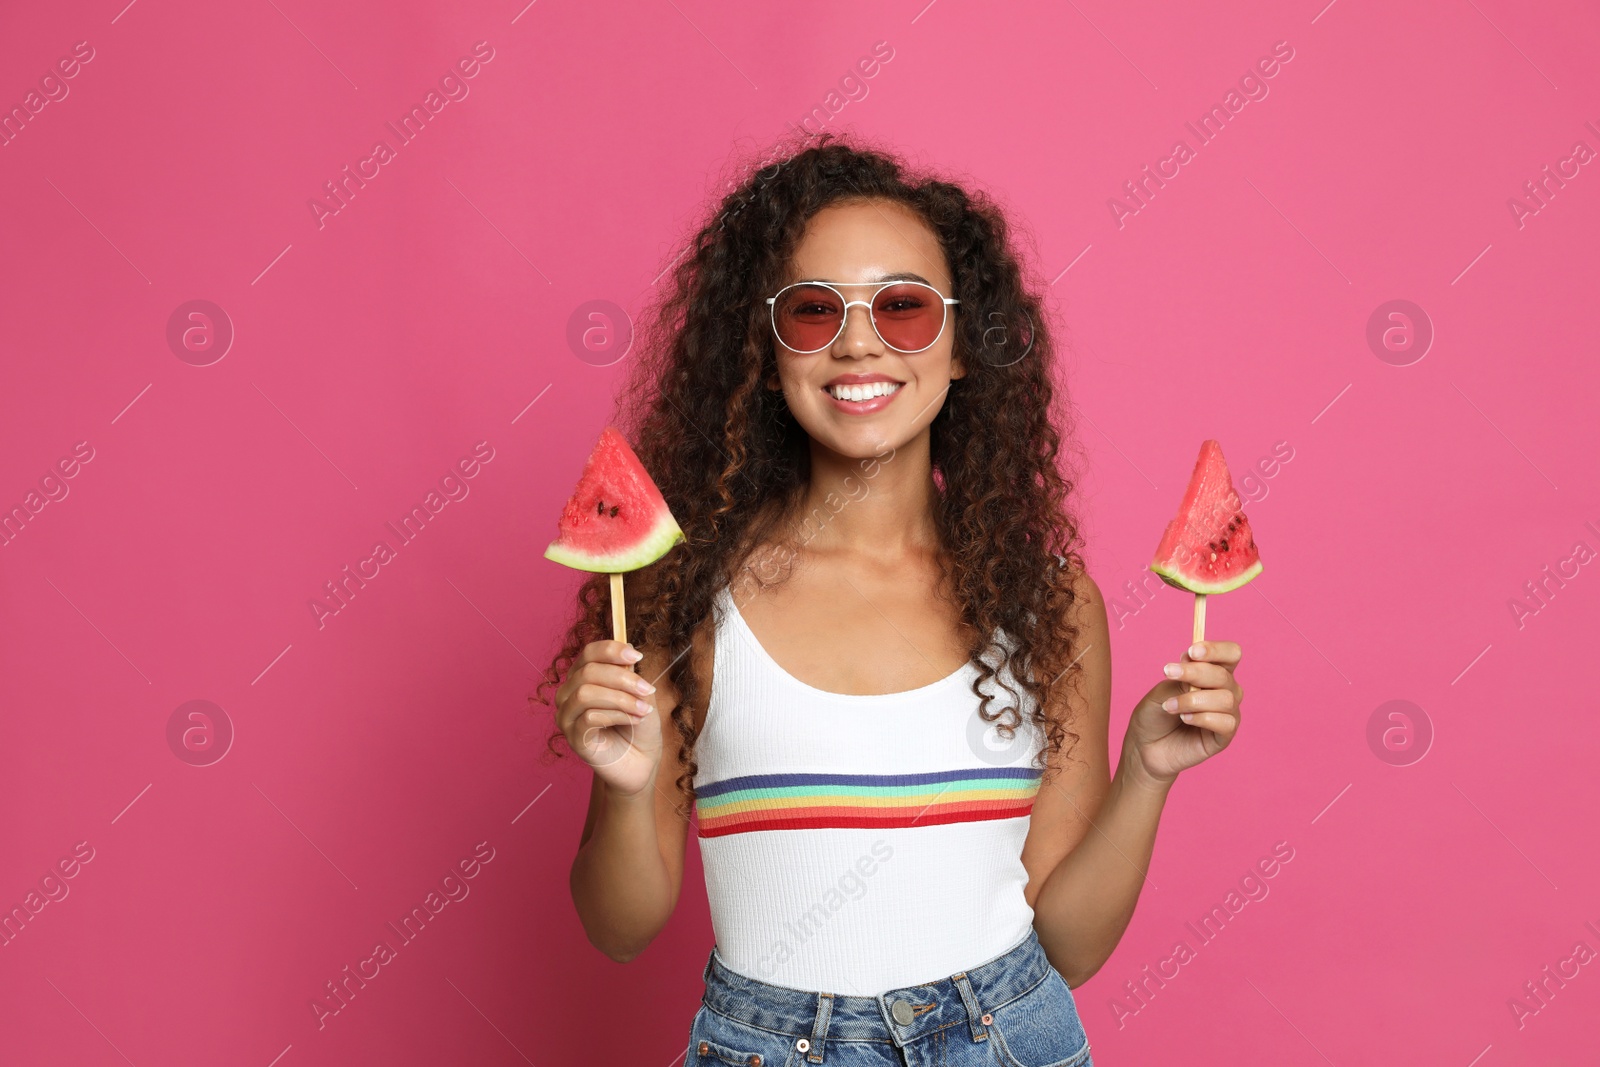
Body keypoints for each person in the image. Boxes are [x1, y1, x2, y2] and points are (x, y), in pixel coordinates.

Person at [539, 131, 1245, 1067]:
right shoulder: (684, 597)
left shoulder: (1050, 604)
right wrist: (623, 786)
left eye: (904, 308)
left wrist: (1148, 771)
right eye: (812, 311)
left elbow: (1069, 945)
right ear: (766, 348)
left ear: (961, 349)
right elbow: (618, 927)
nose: (859, 340)